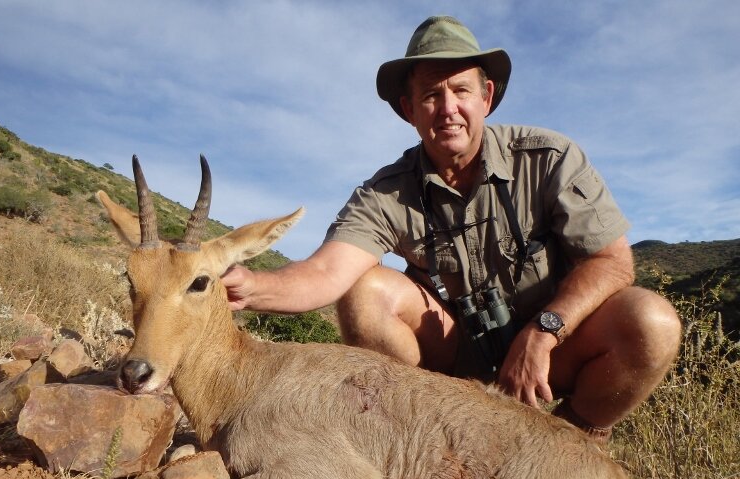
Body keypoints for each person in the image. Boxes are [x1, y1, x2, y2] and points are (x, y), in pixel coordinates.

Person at [222, 15, 681, 441]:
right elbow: (326, 274)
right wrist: (249, 288)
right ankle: (423, 444)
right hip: (454, 364)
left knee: (652, 323)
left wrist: (543, 331)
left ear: (486, 97)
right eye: (430, 95)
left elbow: (613, 263)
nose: (448, 109)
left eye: (460, 91)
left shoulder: (550, 159)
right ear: (408, 109)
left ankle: (568, 445)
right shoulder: (385, 192)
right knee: (365, 293)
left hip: (548, 351)